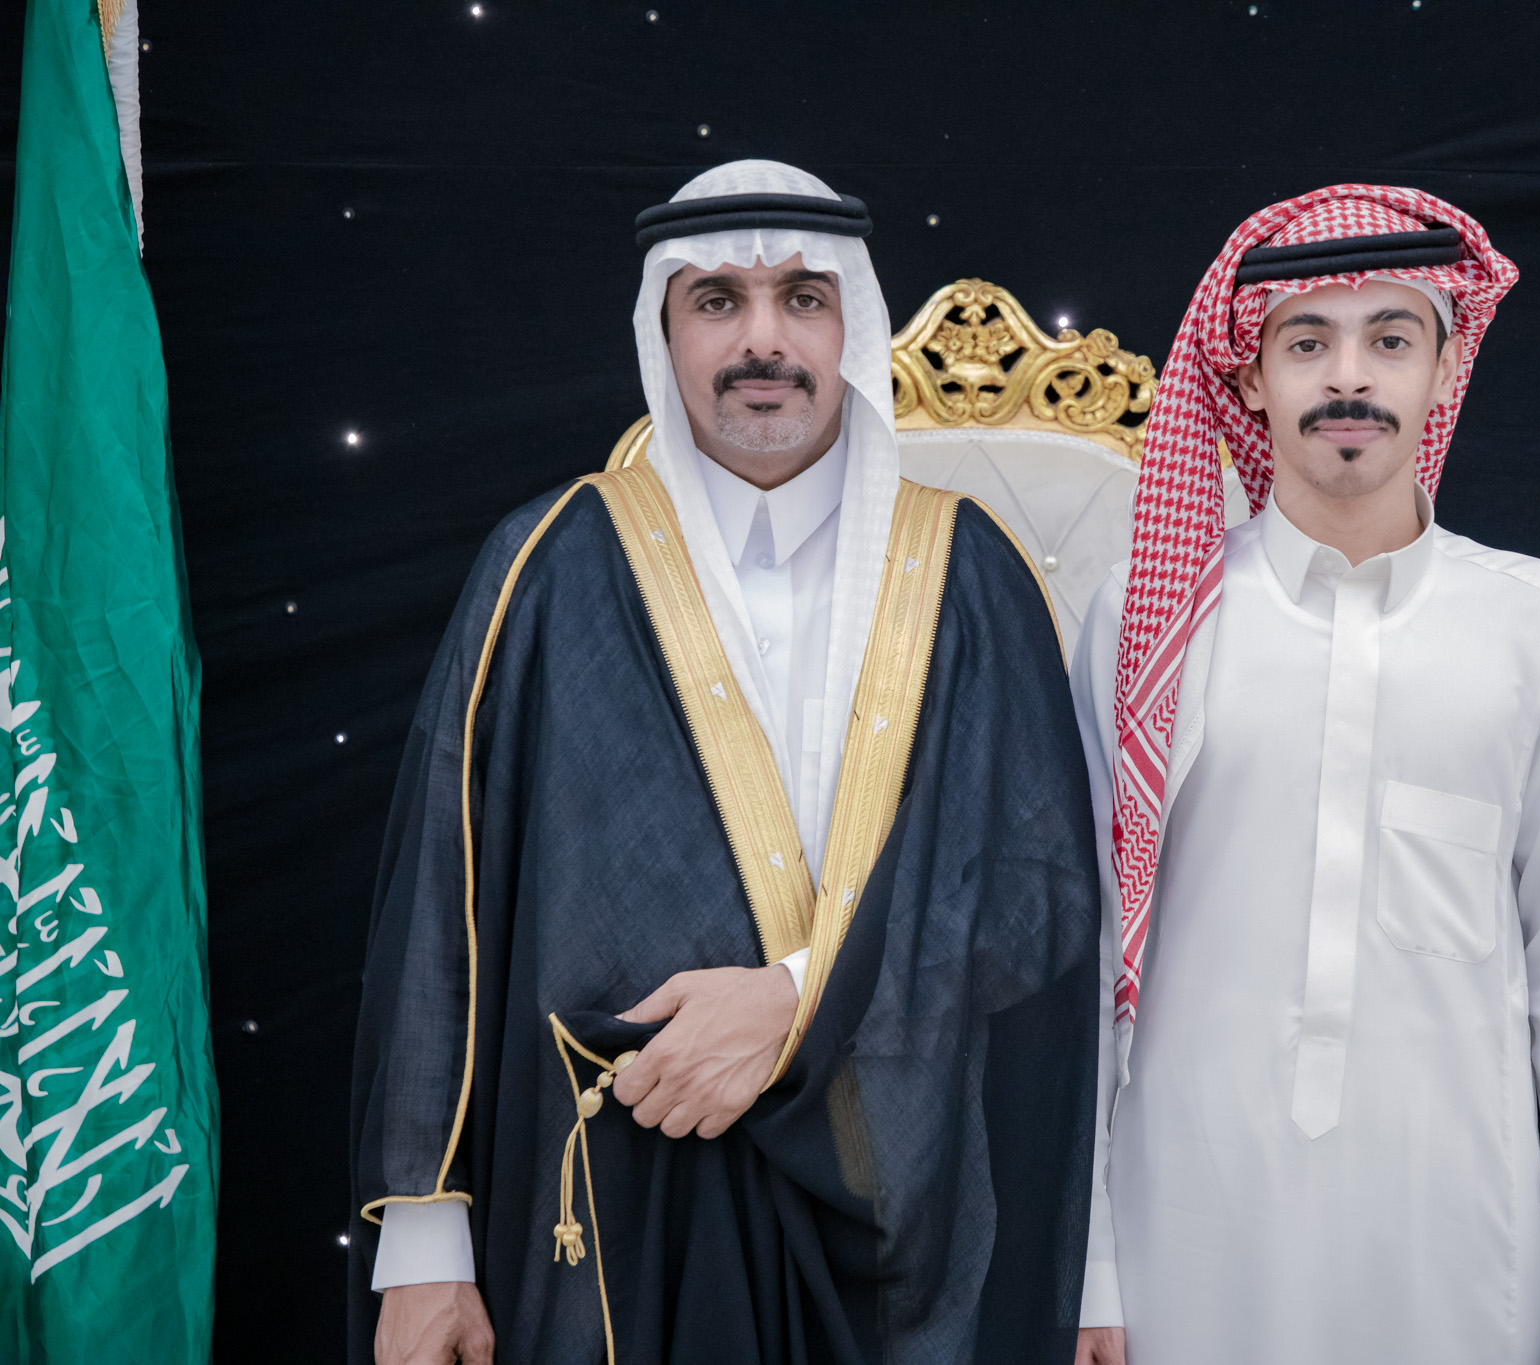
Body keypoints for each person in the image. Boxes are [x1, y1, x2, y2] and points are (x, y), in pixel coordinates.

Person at [350, 160, 1101, 1364]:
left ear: (849, 328)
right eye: (717, 301)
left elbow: (1036, 897)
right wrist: (424, 1244)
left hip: (895, 1198)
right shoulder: (547, 566)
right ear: (664, 333)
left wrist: (796, 1000)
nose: (763, 339)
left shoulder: (968, 573)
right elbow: (447, 910)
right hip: (613, 1198)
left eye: (802, 298)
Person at [1070, 186, 1540, 1364]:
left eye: (1390, 339)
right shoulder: (1148, 623)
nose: (1348, 377)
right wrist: (1089, 1267)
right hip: (1184, 1237)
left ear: (1446, 368)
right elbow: (1079, 957)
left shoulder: (1537, 625)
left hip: (1459, 1250)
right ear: (1248, 380)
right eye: (1305, 343)